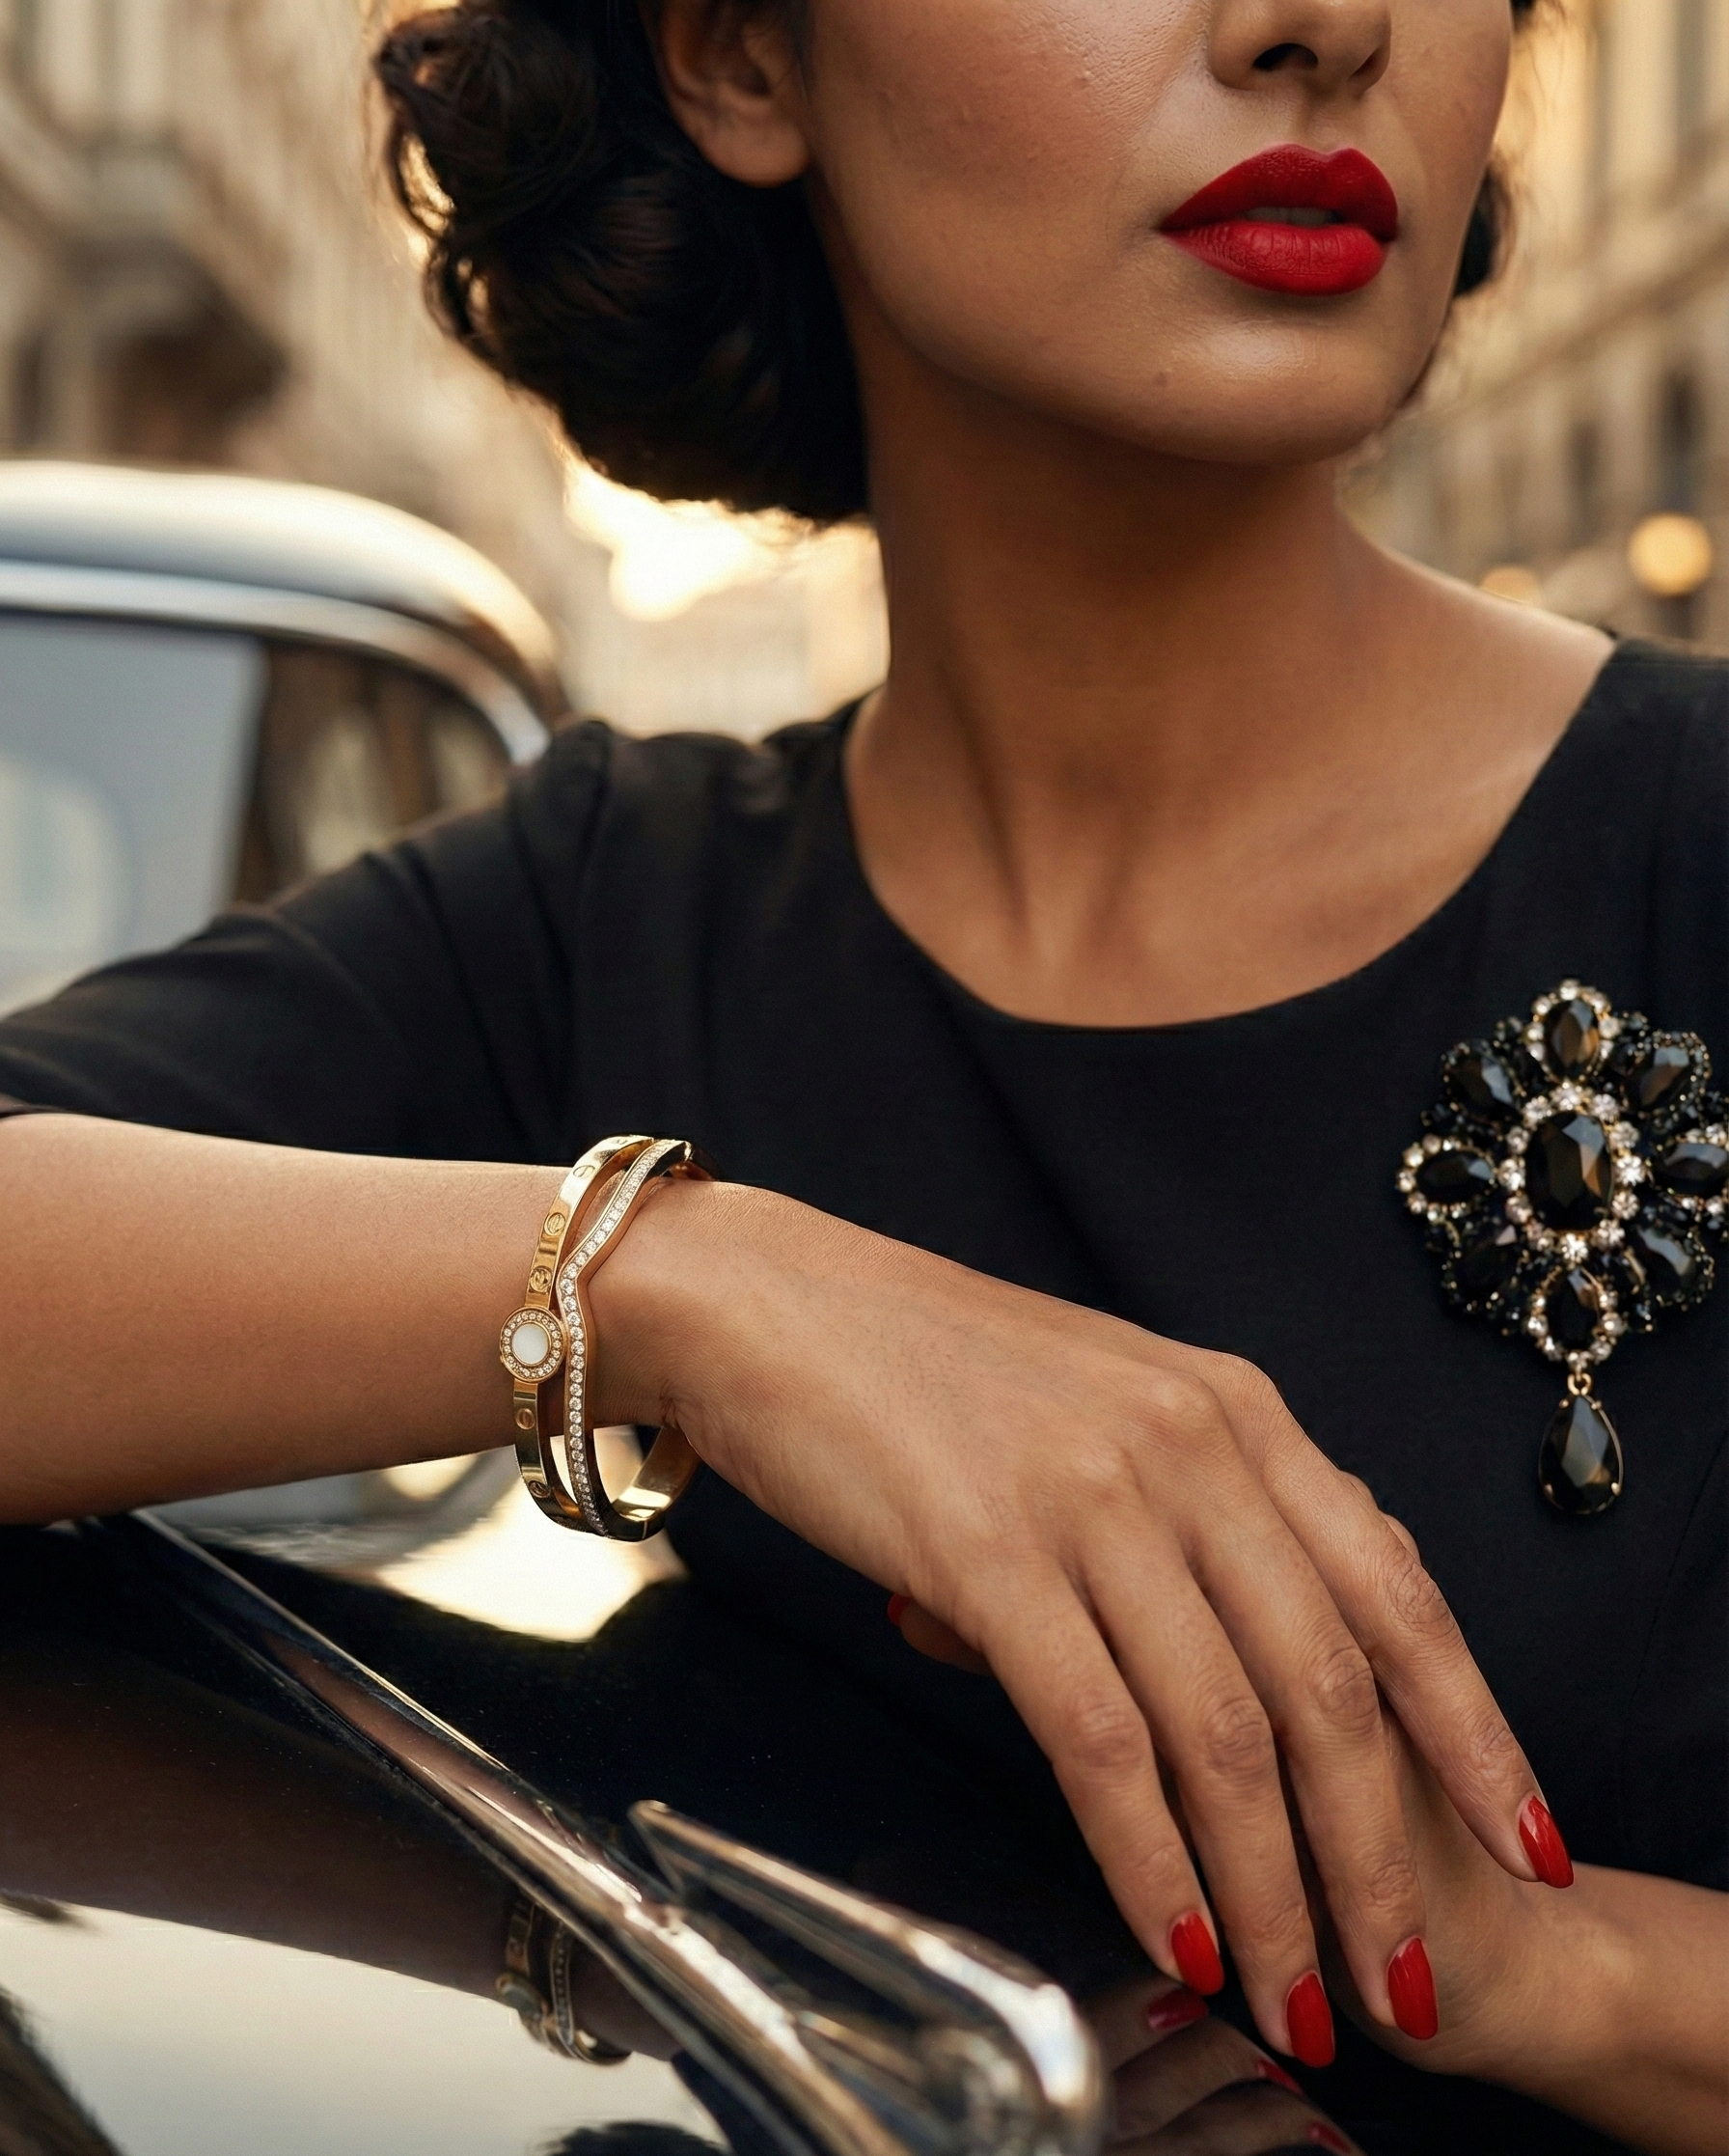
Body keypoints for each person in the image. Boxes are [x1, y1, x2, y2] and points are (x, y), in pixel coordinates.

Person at [0, 2, 1721, 2149]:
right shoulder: (610, 912)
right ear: (737, 63)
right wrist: (702, 1296)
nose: (1318, 20)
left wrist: (1556, 1972)